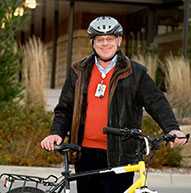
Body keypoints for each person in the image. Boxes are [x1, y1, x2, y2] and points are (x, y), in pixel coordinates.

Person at [41, 16, 187, 193]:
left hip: (121, 154)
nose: (105, 44)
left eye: (110, 38)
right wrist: (56, 133)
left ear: (119, 40)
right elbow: (65, 108)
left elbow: (157, 102)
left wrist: (172, 128)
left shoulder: (135, 72)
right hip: (84, 153)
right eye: (100, 39)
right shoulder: (78, 71)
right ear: (92, 43)